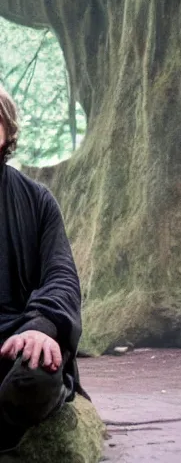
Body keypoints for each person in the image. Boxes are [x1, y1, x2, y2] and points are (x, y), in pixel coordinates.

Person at [0, 84, 85, 452]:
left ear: (6, 130)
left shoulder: (37, 201)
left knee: (34, 380)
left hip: (16, 343)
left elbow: (62, 277)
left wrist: (41, 328)